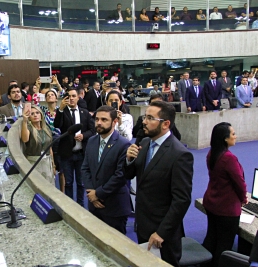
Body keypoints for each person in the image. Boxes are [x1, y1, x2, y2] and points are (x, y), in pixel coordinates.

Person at [124, 101, 193, 267]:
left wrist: (162, 232)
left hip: (163, 234)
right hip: (142, 225)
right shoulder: (145, 143)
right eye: (144, 117)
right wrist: (128, 160)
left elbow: (181, 200)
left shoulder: (180, 155)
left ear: (166, 124)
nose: (144, 122)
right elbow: (129, 175)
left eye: (149, 118)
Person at [202, 122, 247, 267]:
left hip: (211, 202)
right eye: (233, 134)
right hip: (226, 209)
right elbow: (239, 182)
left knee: (211, 238)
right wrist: (243, 198)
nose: (236, 136)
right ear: (225, 139)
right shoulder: (229, 158)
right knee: (224, 244)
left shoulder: (212, 153)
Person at [81, 105, 131, 235]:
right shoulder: (91, 141)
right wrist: (91, 192)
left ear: (114, 122)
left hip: (114, 207)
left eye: (104, 120)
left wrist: (98, 194)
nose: (99, 123)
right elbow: (85, 168)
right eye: (97, 119)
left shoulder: (123, 144)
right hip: (94, 205)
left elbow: (120, 176)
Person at [54, 88, 95, 206]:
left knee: (81, 183)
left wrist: (84, 136)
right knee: (68, 182)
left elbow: (92, 130)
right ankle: (69, 205)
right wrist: (60, 109)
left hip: (81, 153)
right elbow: (57, 125)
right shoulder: (62, 111)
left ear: (78, 97)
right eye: (68, 96)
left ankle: (81, 206)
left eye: (73, 96)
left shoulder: (85, 112)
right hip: (67, 153)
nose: (71, 98)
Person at [21, 105, 54, 185]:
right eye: (32, 114)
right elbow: (25, 139)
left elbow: (50, 148)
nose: (35, 115)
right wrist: (24, 121)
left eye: (37, 113)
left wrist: (53, 164)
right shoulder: (29, 128)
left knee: (50, 186)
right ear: (29, 117)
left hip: (47, 161)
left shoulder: (46, 129)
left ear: (41, 115)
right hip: (34, 162)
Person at [40, 90, 65, 192]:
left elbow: (64, 93)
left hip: (61, 140)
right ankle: (52, 191)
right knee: (51, 167)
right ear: (45, 99)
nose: (50, 96)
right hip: (48, 141)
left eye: (52, 95)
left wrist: (58, 85)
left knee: (62, 169)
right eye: (48, 95)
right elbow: (34, 103)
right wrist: (37, 88)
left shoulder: (61, 110)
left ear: (56, 98)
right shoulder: (43, 110)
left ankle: (63, 192)